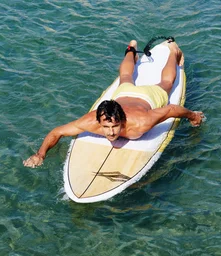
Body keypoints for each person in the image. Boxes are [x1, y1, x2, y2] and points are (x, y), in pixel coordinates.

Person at [23, 39, 204, 168]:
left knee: (166, 84)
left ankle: (173, 52)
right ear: (99, 121)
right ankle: (131, 49)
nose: (110, 132)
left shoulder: (142, 122)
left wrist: (193, 116)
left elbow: (171, 109)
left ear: (122, 120)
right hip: (123, 94)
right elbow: (58, 132)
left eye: (115, 126)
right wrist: (40, 154)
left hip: (146, 98)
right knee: (124, 77)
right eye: (106, 126)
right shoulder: (91, 122)